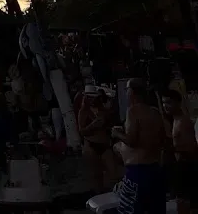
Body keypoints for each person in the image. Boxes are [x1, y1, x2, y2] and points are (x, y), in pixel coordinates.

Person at [112, 77, 167, 214]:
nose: (125, 92)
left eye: (127, 89)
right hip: (155, 169)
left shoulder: (133, 111)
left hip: (137, 173)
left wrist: (116, 134)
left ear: (132, 92)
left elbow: (132, 140)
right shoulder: (154, 112)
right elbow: (162, 140)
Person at [162, 90, 198, 214]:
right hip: (181, 167)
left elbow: (191, 147)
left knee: (184, 204)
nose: (165, 105)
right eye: (163, 102)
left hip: (186, 167)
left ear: (178, 103)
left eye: (169, 102)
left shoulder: (183, 122)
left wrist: (169, 147)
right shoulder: (175, 120)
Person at [79, 85, 114, 194]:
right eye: (88, 97)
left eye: (93, 97)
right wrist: (93, 125)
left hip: (104, 143)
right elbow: (82, 131)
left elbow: (110, 124)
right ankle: (100, 195)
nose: (91, 99)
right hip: (91, 144)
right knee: (96, 175)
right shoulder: (84, 111)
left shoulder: (103, 109)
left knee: (113, 172)